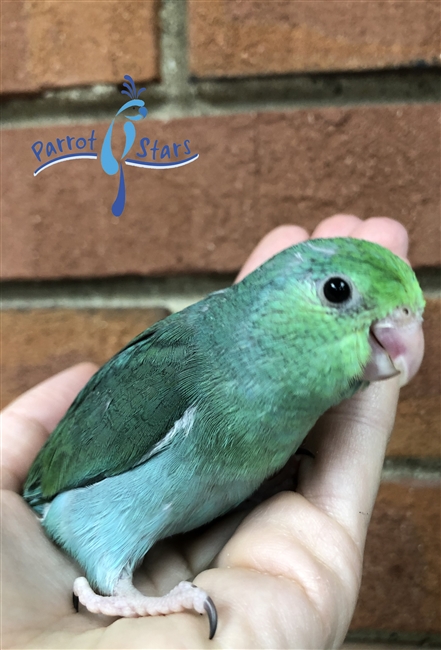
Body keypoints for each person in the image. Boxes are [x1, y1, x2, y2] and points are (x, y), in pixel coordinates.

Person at [1, 214, 422, 649]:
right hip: (71, 519)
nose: (400, 336)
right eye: (338, 293)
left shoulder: (294, 413)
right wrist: (123, 597)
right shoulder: (179, 369)